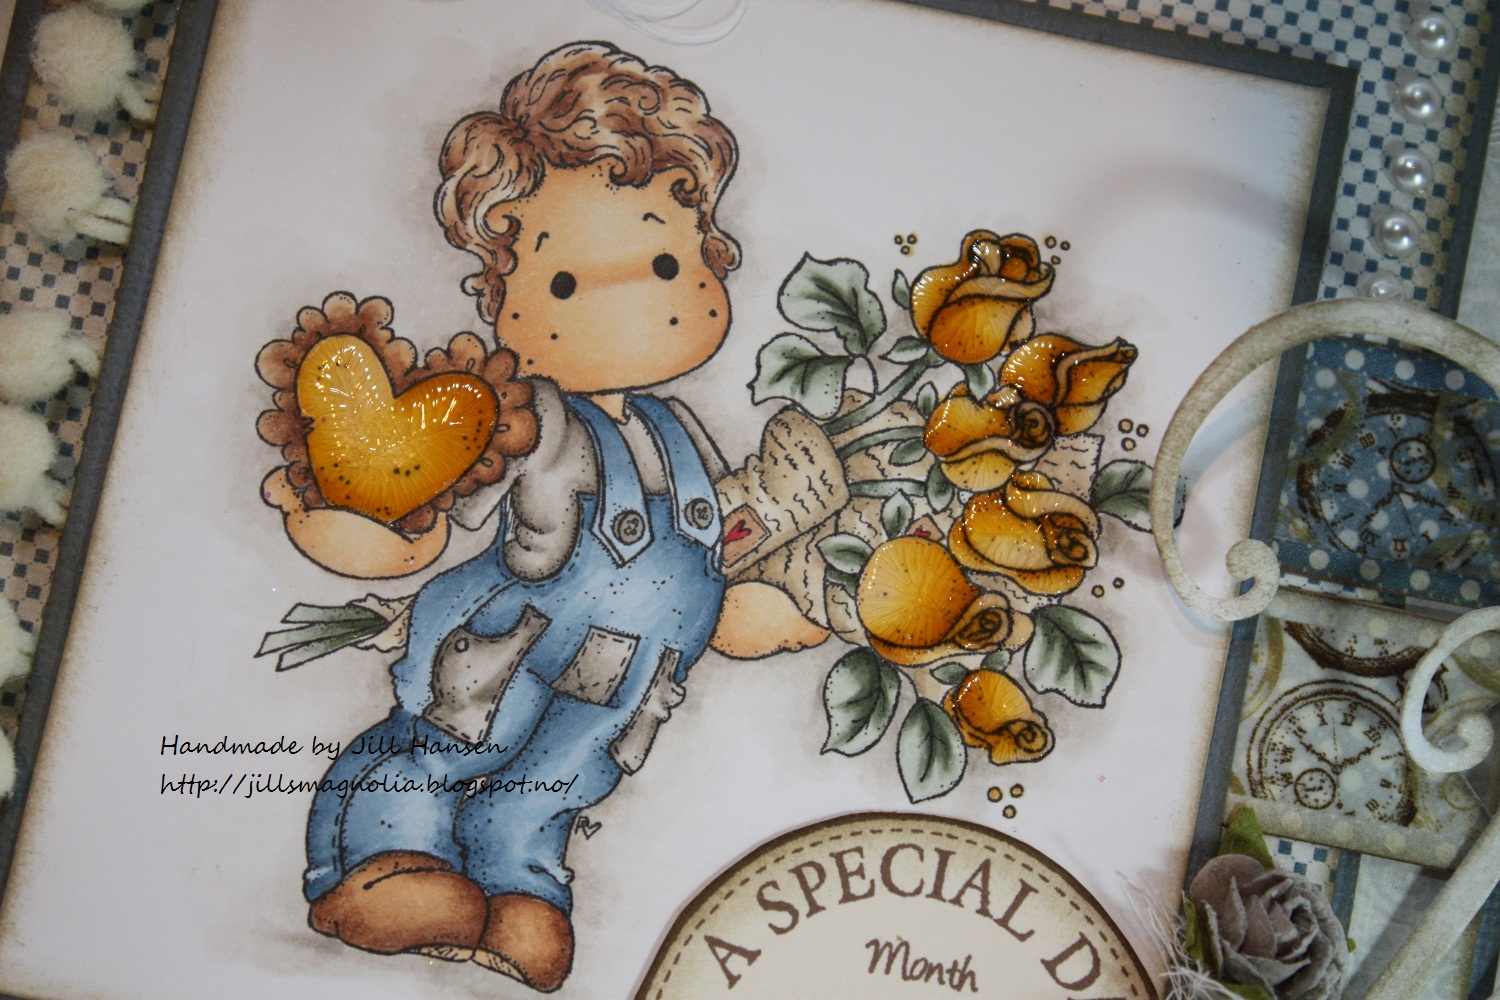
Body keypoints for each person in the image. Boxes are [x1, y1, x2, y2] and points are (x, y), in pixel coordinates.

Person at [266, 41, 826, 992]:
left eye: (665, 263)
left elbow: (705, 558)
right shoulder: (525, 421)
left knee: (563, 777)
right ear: (501, 294)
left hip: (625, 676)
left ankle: (519, 892)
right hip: (509, 643)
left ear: (712, 258)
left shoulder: (680, 430)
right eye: (565, 284)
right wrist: (363, 535)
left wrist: (759, 614)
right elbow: (438, 513)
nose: (627, 302)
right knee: (452, 745)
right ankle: (378, 863)